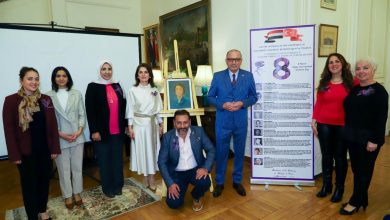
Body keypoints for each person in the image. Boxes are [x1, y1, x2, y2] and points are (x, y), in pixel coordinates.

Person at [2, 67, 60, 220]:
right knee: (29, 186)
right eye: (30, 78)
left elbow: (53, 125)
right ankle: (32, 215)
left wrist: (54, 148)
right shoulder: (11, 101)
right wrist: (14, 154)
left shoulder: (46, 99)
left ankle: (42, 210)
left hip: (44, 149)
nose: (34, 82)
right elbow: (9, 131)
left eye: (36, 78)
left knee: (43, 182)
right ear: (21, 80)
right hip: (25, 152)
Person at [339, 58, 388, 215]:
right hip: (353, 136)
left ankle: (355, 201)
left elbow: (381, 118)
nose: (361, 71)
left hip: (369, 139)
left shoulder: (379, 91)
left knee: (364, 171)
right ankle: (362, 198)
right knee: (357, 169)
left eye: (365, 68)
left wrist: (374, 140)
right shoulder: (355, 88)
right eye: (358, 68)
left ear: (373, 70)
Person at [208, 49, 257, 197]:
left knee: (240, 152)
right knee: (221, 152)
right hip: (223, 121)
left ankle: (237, 181)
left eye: (237, 59)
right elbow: (210, 97)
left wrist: (243, 102)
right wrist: (223, 104)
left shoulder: (248, 76)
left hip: (241, 121)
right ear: (226, 60)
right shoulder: (217, 76)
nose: (234, 62)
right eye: (231, 59)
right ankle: (220, 182)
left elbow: (254, 97)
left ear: (241, 61)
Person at [311, 53, 355, 203]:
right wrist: (314, 120)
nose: (334, 64)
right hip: (324, 124)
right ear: (328, 66)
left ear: (342, 63)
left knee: (340, 157)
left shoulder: (352, 83)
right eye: (331, 62)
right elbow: (319, 103)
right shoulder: (324, 82)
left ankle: (339, 188)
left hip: (343, 125)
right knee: (327, 156)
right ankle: (326, 185)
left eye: (337, 61)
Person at [158, 110, 215, 211]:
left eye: (185, 122)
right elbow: (161, 162)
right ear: (174, 123)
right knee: (173, 204)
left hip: (195, 170)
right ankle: (180, 192)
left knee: (205, 182)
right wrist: (170, 183)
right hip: (176, 173)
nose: (182, 126)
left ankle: (196, 196)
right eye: (179, 123)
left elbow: (211, 150)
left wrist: (205, 168)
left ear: (189, 121)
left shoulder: (199, 132)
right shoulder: (168, 137)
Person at [85, 60, 127, 198]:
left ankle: (118, 185)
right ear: (99, 71)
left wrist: (126, 125)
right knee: (104, 161)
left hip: (117, 131)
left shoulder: (117, 85)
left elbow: (124, 107)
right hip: (101, 133)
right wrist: (94, 131)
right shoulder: (92, 86)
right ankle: (107, 187)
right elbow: (90, 111)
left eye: (109, 68)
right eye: (104, 69)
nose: (107, 72)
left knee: (117, 160)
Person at [46, 66, 86, 209]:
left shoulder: (76, 94)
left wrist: (79, 130)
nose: (61, 78)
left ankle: (77, 193)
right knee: (63, 170)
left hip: (77, 137)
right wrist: (59, 133)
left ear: (68, 78)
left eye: (64, 75)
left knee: (77, 168)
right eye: (58, 76)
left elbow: (82, 114)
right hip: (59, 138)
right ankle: (67, 195)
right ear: (54, 78)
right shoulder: (47, 97)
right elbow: (47, 120)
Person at [126, 63, 163, 190]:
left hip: (152, 124)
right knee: (142, 151)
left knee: (151, 151)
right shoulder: (132, 90)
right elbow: (130, 109)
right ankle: (145, 177)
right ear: (137, 75)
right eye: (140, 72)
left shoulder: (154, 90)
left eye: (146, 72)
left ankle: (152, 177)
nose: (143, 74)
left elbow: (158, 109)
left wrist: (160, 123)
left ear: (149, 75)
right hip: (138, 125)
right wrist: (130, 127)